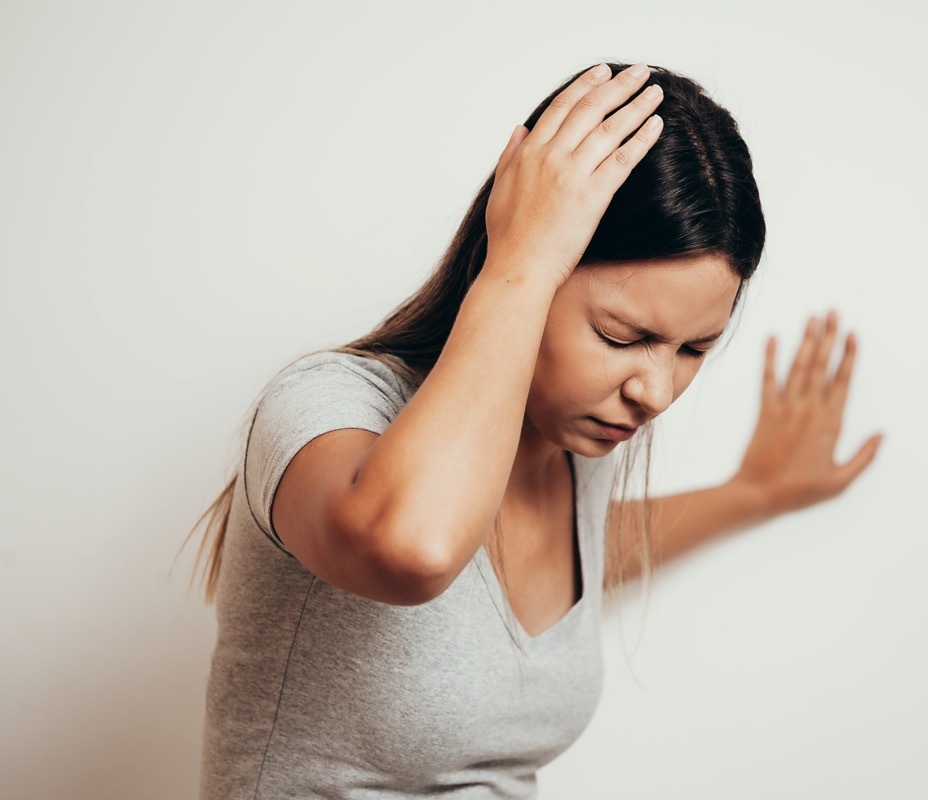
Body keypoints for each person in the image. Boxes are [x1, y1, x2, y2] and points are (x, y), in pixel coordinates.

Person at [186, 60, 882, 798]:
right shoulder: (323, 404)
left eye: (693, 349)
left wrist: (755, 491)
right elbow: (413, 548)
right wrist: (518, 259)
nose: (655, 390)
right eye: (622, 335)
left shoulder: (576, 448)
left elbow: (572, 547)